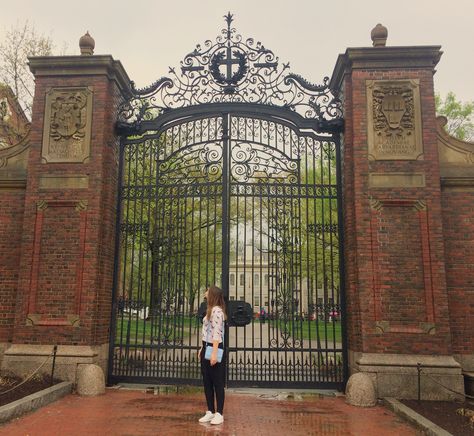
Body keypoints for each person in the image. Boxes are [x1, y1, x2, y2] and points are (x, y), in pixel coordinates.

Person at [198, 285, 226, 425]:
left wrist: (214, 353)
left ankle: (219, 413)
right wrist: (202, 347)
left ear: (212, 294)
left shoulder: (217, 311)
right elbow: (207, 332)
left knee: (217, 382)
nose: (205, 292)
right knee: (207, 382)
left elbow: (216, 334)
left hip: (214, 348)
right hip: (207, 347)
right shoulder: (210, 310)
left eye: (207, 291)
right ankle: (210, 411)